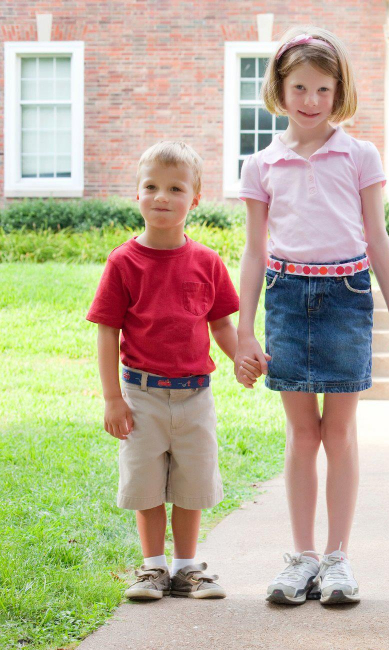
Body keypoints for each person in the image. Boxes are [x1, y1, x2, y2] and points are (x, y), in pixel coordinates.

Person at [234, 26, 389, 605]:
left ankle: (338, 559)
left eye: (322, 88)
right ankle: (302, 558)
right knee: (300, 433)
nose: (311, 100)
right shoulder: (261, 164)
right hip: (287, 300)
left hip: (346, 296)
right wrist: (244, 329)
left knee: (338, 432)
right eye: (300, 88)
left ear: (338, 90)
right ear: (280, 89)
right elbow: (252, 249)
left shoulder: (359, 154)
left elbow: (378, 238)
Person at [87, 141, 239, 601]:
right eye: (151, 186)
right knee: (146, 484)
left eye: (175, 188)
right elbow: (107, 332)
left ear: (194, 199)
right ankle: (152, 569)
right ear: (136, 194)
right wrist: (113, 398)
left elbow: (221, 324)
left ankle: (187, 568)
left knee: (191, 484)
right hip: (142, 394)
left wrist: (243, 358)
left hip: (195, 395)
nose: (161, 197)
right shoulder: (123, 262)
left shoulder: (207, 262)